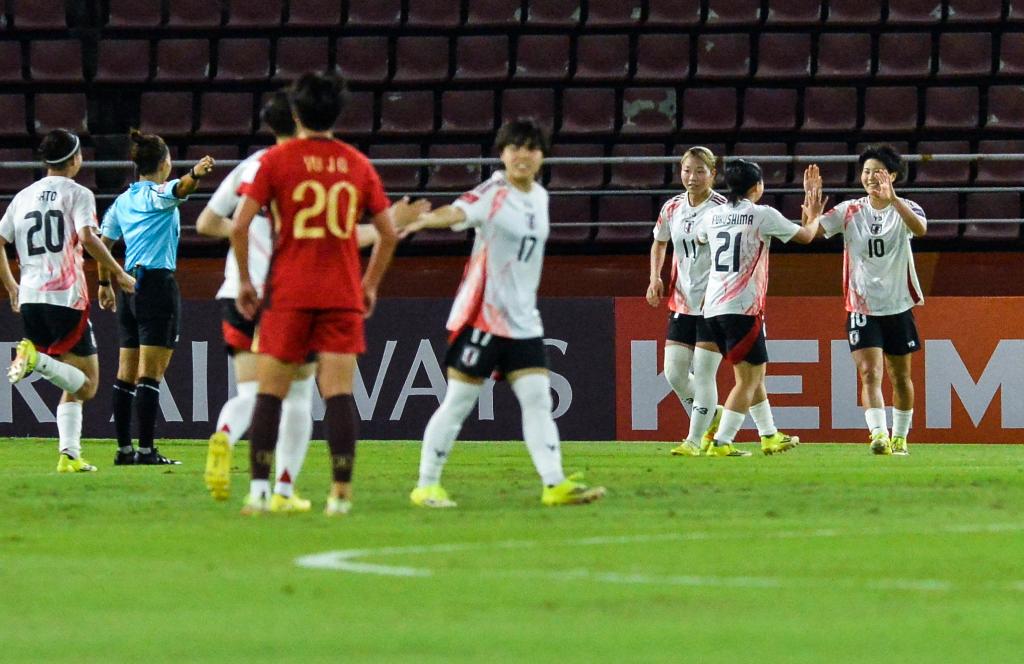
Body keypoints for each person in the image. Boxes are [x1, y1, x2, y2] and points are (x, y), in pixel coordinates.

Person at [199, 91, 427, 509]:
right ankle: (291, 490)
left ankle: (229, 440)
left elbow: (209, 223)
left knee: (255, 393)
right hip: (303, 290)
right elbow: (345, 236)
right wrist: (388, 235)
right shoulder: (347, 162)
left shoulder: (255, 166)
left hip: (243, 291)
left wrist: (251, 257)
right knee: (305, 396)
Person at [404, 119, 606, 508]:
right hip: (484, 318)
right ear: (502, 154)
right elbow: (456, 212)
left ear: (542, 155)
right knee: (459, 403)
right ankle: (426, 485)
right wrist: (424, 219)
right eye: (514, 147)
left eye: (530, 148)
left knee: (538, 401)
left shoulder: (541, 197)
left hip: (524, 323)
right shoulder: (493, 192)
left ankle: (554, 483)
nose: (522, 155)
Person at [647, 147, 800, 458]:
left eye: (700, 171)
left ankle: (695, 440)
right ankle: (735, 423)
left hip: (713, 303)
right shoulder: (672, 207)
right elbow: (659, 241)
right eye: (687, 170)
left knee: (712, 374)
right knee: (674, 373)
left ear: (713, 174)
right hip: (681, 301)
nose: (692, 177)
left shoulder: (722, 208)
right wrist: (654, 277)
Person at [2, 129, 136, 472]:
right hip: (65, 298)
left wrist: (11, 286)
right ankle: (36, 361)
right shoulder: (78, 194)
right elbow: (88, 237)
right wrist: (118, 273)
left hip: (30, 298)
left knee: (72, 381)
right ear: (75, 158)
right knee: (88, 385)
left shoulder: (23, 196)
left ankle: (70, 455)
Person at [99, 130, 215, 465]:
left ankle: (124, 450)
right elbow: (180, 189)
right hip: (155, 285)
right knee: (150, 374)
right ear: (164, 163)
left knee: (125, 372)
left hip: (128, 286)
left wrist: (104, 282)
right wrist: (195, 173)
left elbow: (104, 243)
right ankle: (147, 451)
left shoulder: (123, 201)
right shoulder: (156, 194)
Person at [699, 160, 824, 456]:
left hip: (712, 308)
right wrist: (813, 215)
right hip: (741, 308)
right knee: (748, 380)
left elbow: (702, 238)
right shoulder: (761, 214)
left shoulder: (711, 215)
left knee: (756, 375)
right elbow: (807, 236)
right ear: (757, 187)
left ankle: (769, 434)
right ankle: (721, 442)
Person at [810, 146, 926, 455]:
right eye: (866, 172)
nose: (871, 177)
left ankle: (900, 436)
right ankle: (878, 434)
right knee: (869, 373)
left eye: (878, 172)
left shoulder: (907, 207)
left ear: (893, 176)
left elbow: (920, 229)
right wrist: (811, 210)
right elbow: (813, 232)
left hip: (898, 305)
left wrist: (893, 199)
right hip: (861, 306)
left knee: (900, 376)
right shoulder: (850, 210)